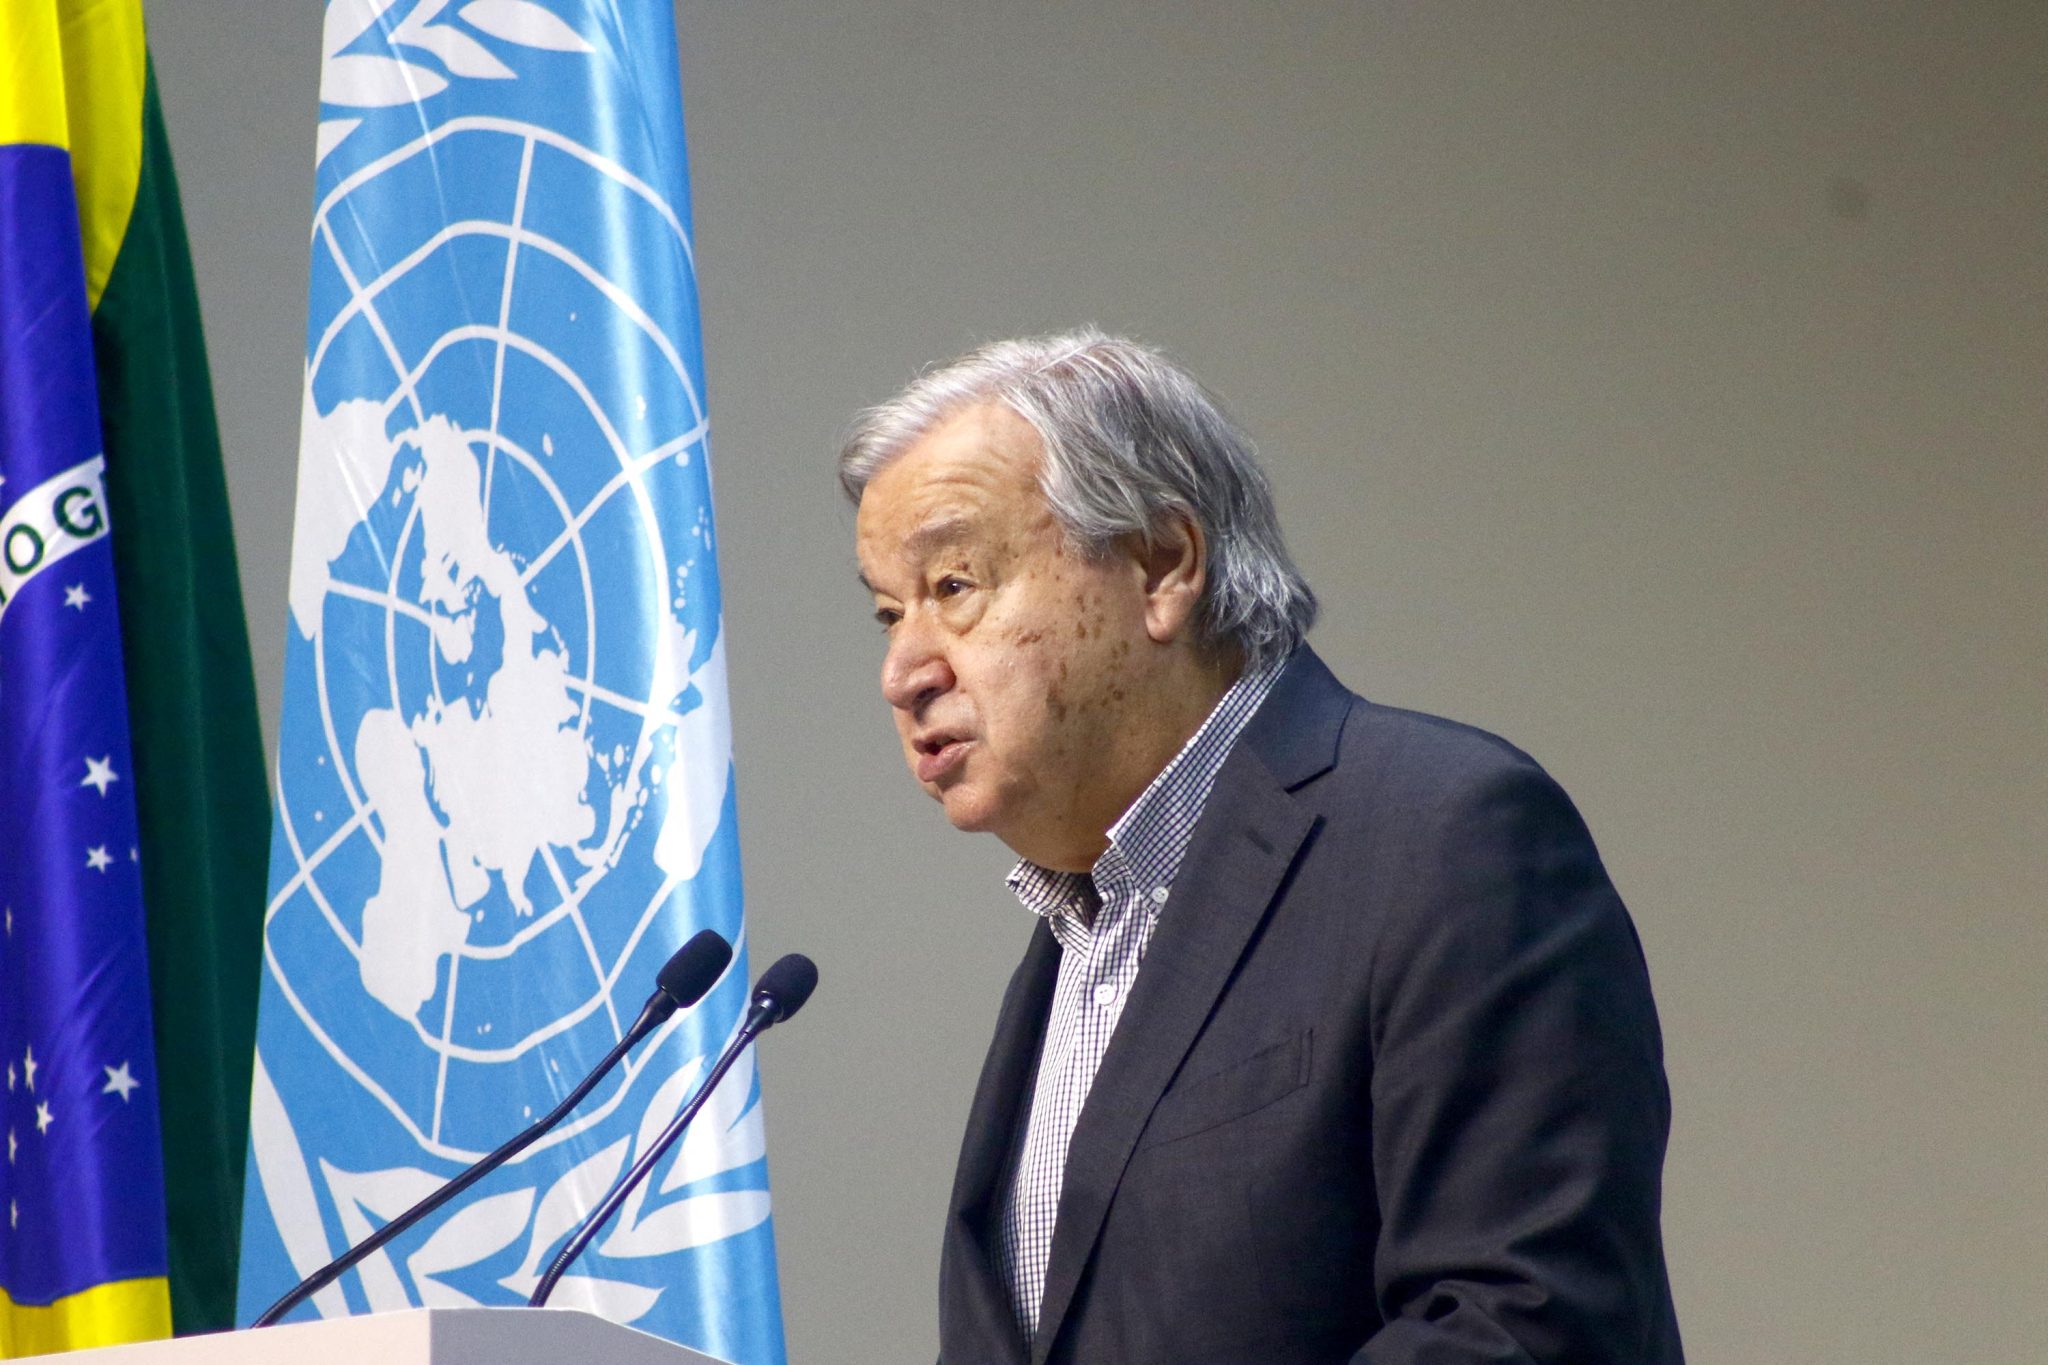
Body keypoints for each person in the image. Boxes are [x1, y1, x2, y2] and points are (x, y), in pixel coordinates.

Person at [841, 330, 1684, 1365]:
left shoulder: (1447, 837)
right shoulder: (1078, 935)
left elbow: (1527, 1322)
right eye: (888, 613)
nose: (903, 671)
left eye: (953, 587)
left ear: (1162, 565)